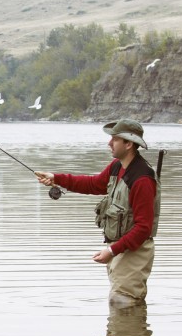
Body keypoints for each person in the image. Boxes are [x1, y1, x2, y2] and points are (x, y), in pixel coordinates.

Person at [35, 119, 160, 306]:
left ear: (128, 144)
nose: (109, 143)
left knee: (123, 302)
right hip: (121, 248)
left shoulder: (142, 179)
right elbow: (93, 184)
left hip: (134, 251)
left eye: (115, 139)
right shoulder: (117, 166)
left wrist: (111, 250)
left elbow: (143, 228)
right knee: (120, 303)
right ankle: (124, 335)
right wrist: (57, 178)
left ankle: (129, 334)